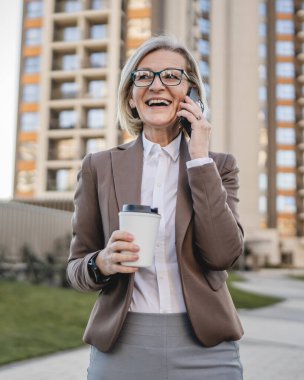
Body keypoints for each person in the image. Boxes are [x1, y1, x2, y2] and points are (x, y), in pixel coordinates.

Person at [67, 35, 244, 380]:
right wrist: (101, 262)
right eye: (144, 76)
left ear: (191, 93)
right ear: (131, 98)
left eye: (171, 76)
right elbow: (77, 266)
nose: (156, 84)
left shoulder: (218, 165)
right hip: (122, 344)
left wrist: (199, 160)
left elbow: (223, 254)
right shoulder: (98, 167)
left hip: (206, 348)